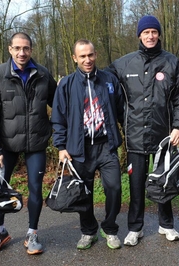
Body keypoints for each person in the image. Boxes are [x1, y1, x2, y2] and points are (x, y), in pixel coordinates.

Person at [106, 15, 179, 246]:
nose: (150, 36)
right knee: (136, 186)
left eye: (154, 32)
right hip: (134, 136)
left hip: (164, 136)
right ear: (139, 35)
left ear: (159, 34)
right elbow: (103, 85)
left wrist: (178, 127)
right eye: (146, 32)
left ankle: (167, 225)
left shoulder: (172, 63)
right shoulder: (123, 64)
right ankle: (135, 228)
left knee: (164, 181)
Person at [0, 32, 57, 255]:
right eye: (17, 48)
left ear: (31, 50)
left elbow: (59, 106)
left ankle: (32, 234)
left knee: (35, 189)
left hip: (35, 144)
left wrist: (53, 130)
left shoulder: (43, 75)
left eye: (25, 48)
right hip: (6, 146)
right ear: (10, 49)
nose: (21, 53)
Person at [51, 39, 124, 250]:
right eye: (82, 56)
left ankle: (109, 228)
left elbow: (121, 111)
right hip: (79, 149)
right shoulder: (66, 84)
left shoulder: (109, 80)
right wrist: (61, 147)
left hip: (106, 146)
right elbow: (58, 118)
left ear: (96, 54)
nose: (87, 59)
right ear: (75, 58)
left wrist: (127, 136)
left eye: (90, 55)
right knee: (83, 194)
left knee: (114, 188)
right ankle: (88, 230)